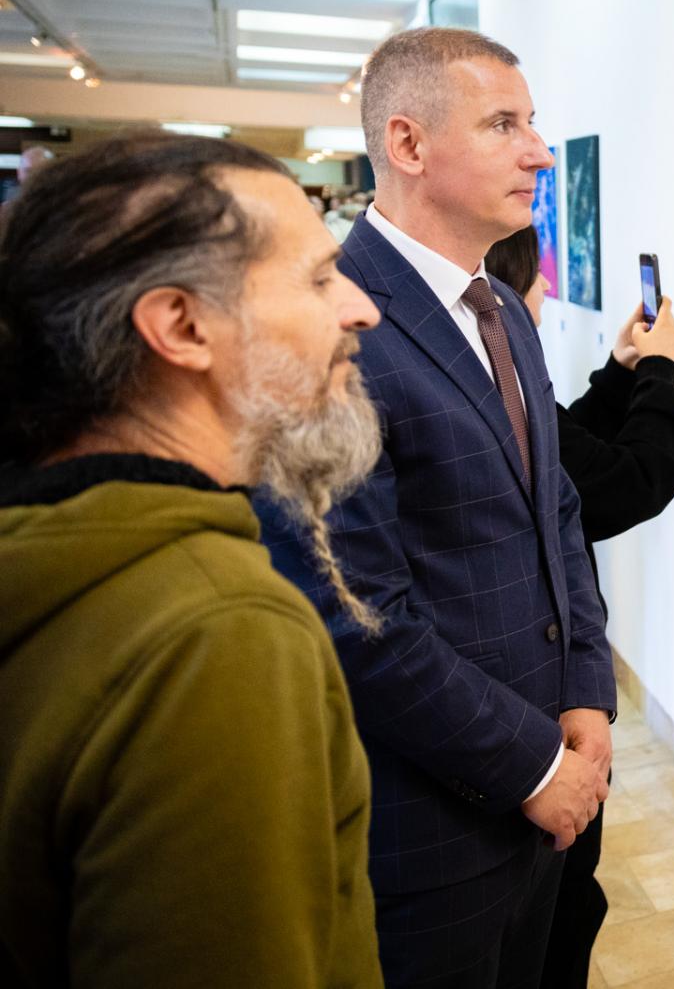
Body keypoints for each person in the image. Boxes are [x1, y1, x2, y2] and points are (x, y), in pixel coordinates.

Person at [258, 28, 617, 989]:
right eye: (504, 125)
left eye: (533, 122)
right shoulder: (335, 327)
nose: (540, 152)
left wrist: (585, 689)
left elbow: (558, 512)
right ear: (409, 144)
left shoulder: (498, 309)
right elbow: (356, 615)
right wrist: (535, 766)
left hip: (544, 800)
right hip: (431, 835)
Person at [0, 131, 385, 987]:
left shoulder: (51, 544)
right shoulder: (220, 635)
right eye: (320, 278)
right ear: (182, 325)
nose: (361, 308)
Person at [484, 226, 674, 989]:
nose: (548, 288)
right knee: (560, 920)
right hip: (537, 723)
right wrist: (662, 369)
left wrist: (620, 369)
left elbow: (566, 448)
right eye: (537, 276)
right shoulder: (497, 373)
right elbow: (627, 477)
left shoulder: (497, 369)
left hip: (547, 703)